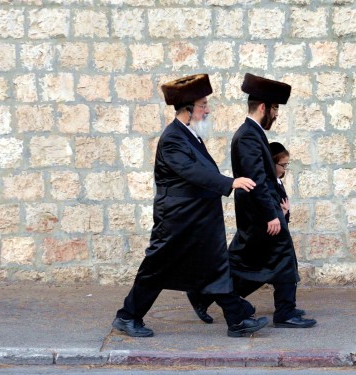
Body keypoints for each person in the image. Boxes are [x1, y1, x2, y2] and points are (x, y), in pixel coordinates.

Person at [112, 74, 268, 338]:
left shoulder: (190, 135)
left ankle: (237, 319)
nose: (207, 110)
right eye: (202, 105)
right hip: (176, 220)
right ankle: (128, 316)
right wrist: (231, 183)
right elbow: (194, 173)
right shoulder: (173, 138)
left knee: (216, 265)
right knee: (155, 270)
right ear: (187, 110)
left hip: (198, 219)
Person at [228, 73, 316, 328]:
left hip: (262, 211)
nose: (277, 114)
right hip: (259, 213)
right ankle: (283, 312)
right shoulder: (248, 135)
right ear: (263, 107)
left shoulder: (254, 133)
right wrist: (271, 215)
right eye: (275, 107)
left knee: (277, 259)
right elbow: (257, 180)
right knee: (267, 259)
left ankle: (286, 310)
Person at [269, 142, 291, 224]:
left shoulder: (278, 182)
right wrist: (283, 213)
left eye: (286, 165)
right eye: (283, 165)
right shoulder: (268, 186)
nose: (284, 169)